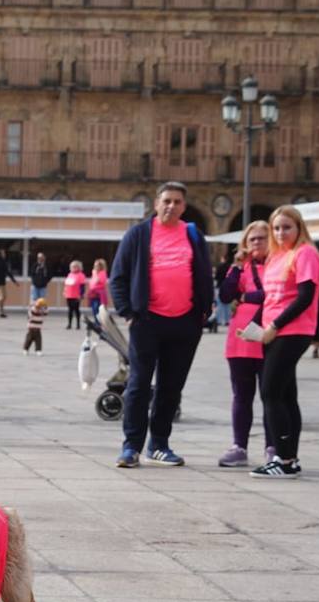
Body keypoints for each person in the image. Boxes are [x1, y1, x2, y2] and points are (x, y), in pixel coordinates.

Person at [108, 181, 213, 468]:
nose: (171, 206)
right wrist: (129, 311)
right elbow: (118, 276)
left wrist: (204, 310)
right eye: (166, 200)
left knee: (171, 387)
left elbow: (204, 273)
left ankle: (159, 445)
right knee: (139, 386)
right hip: (148, 322)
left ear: (184, 206)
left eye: (177, 202)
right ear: (156, 204)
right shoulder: (139, 234)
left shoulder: (192, 235)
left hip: (185, 323)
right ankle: (131, 447)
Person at [251, 205, 319, 479]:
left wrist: (275, 325)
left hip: (291, 331)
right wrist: (256, 327)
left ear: (299, 228)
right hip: (272, 331)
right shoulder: (276, 256)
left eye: (287, 227)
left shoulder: (305, 253)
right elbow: (271, 298)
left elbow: (305, 296)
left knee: (270, 392)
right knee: (285, 394)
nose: (281, 232)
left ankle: (282, 458)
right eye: (276, 228)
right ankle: (290, 459)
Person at [216, 221, 269, 469]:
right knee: (241, 394)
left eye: (261, 238)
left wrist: (246, 296)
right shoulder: (242, 268)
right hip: (240, 338)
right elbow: (226, 295)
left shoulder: (280, 264)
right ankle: (239, 446)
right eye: (252, 239)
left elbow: (271, 295)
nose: (257, 242)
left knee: (271, 395)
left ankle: (273, 447)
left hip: (270, 335)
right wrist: (236, 268)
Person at [62, 260, 86, 329]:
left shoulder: (81, 275)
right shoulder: (70, 274)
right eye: (72, 267)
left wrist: (81, 295)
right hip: (69, 295)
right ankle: (69, 324)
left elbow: (82, 286)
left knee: (76, 310)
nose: (74, 268)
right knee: (70, 310)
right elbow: (67, 285)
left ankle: (78, 324)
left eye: (75, 266)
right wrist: (64, 292)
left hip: (76, 296)